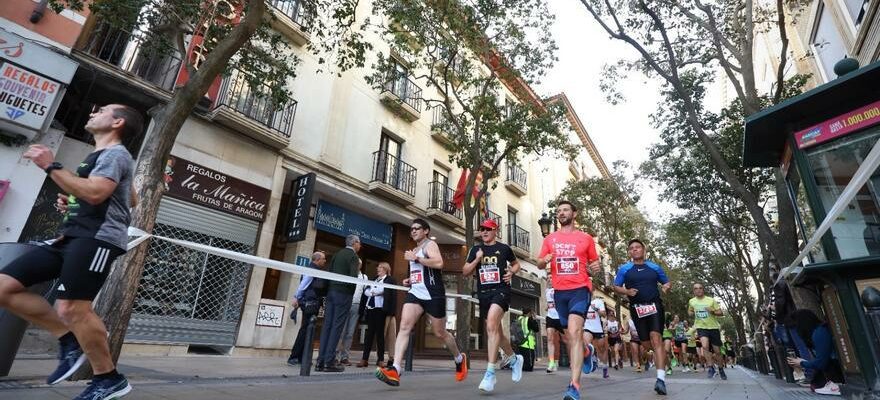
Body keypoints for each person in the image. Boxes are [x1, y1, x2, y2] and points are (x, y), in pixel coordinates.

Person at [0, 104, 141, 400]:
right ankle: (68, 340)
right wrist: (75, 201)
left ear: (117, 122)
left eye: (100, 110)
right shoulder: (103, 157)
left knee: (72, 307)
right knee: (4, 288)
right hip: (71, 237)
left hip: (98, 239)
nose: (91, 112)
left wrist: (51, 166)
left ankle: (108, 379)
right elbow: (130, 197)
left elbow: (96, 193)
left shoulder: (115, 154)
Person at [376, 219, 468, 386]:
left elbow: (439, 263)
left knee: (440, 333)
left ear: (426, 231)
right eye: (411, 229)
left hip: (434, 294)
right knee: (404, 327)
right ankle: (396, 369)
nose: (413, 231)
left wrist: (416, 259)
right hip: (416, 293)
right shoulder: (414, 250)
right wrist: (410, 280)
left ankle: (459, 358)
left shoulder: (429, 246)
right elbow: (421, 273)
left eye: (417, 228)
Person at [536, 200, 601, 400]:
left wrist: (595, 268)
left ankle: (574, 386)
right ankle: (587, 351)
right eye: (559, 211)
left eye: (565, 210)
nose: (561, 213)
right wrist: (544, 261)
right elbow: (539, 262)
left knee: (574, 331)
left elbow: (594, 262)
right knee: (571, 338)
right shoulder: (550, 239)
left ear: (574, 213)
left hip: (580, 289)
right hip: (560, 293)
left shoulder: (586, 238)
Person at [463, 218, 524, 392]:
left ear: (495, 231)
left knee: (491, 324)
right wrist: (477, 260)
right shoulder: (475, 249)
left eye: (488, 229)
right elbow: (465, 271)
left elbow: (516, 264)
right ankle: (514, 359)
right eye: (482, 229)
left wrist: (512, 272)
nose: (484, 232)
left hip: (501, 291)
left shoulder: (504, 249)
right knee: (496, 332)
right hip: (484, 294)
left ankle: (490, 373)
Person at [613, 239, 672, 395]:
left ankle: (660, 380)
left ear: (644, 250)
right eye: (631, 248)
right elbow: (616, 286)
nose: (635, 250)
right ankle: (660, 354)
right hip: (637, 309)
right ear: (629, 252)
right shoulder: (624, 269)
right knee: (646, 344)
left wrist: (666, 287)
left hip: (654, 306)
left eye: (638, 247)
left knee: (656, 338)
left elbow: (666, 282)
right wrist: (626, 292)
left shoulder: (654, 267)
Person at [315, 235, 362, 372]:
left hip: (331, 293)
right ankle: (329, 362)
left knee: (327, 326)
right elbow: (353, 277)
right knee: (337, 327)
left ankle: (320, 361)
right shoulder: (353, 257)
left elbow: (330, 273)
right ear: (354, 243)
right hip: (344, 294)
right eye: (359, 243)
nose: (360, 246)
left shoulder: (337, 254)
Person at [786, 309, 843, 396]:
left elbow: (821, 362)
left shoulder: (819, 333)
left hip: (837, 368)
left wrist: (801, 363)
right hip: (832, 365)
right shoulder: (818, 331)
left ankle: (834, 384)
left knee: (817, 383)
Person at [288, 251, 327, 365]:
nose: (325, 261)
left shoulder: (314, 269)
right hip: (309, 303)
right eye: (323, 259)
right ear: (317, 260)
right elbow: (303, 284)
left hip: (311, 302)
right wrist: (296, 297)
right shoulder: (312, 270)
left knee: (308, 330)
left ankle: (301, 357)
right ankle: (294, 357)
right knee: (305, 330)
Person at [358, 262, 397, 368]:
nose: (378, 269)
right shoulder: (374, 279)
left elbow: (383, 290)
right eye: (378, 267)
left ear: (385, 269)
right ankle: (364, 359)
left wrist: (374, 291)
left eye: (380, 267)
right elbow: (366, 291)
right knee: (369, 335)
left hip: (381, 310)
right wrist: (373, 292)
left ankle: (380, 359)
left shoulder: (389, 280)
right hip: (371, 309)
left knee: (380, 335)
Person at [688, 283, 727, 380]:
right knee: (704, 346)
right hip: (701, 327)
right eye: (696, 289)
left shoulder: (711, 300)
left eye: (700, 288)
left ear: (703, 289)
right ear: (694, 291)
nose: (698, 290)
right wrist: (691, 313)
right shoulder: (692, 301)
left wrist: (712, 311)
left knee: (717, 351)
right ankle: (710, 367)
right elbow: (690, 311)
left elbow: (720, 312)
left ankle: (721, 369)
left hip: (713, 327)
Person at [336, 259, 367, 366]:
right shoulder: (347, 273)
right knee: (341, 331)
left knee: (349, 333)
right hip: (345, 304)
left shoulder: (364, 277)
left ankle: (345, 357)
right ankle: (335, 356)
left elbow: (365, 293)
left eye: (358, 264)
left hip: (356, 306)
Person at [583, 296, 609, 378]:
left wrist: (596, 309)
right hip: (587, 328)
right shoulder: (581, 300)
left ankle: (605, 367)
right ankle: (592, 358)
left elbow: (604, 314)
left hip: (598, 329)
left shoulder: (598, 301)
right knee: (586, 345)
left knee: (601, 349)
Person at [545, 284, 565, 373]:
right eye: (548, 278)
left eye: (551, 277)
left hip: (560, 317)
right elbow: (548, 304)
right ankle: (551, 363)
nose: (549, 279)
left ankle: (575, 360)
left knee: (567, 340)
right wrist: (548, 307)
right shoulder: (547, 291)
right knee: (550, 338)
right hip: (550, 317)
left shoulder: (560, 288)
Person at [516, 308, 540, 372]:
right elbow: (536, 329)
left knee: (522, 360)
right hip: (528, 344)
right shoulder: (529, 319)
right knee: (529, 366)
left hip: (520, 343)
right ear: (529, 313)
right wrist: (534, 319)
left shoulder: (519, 319)